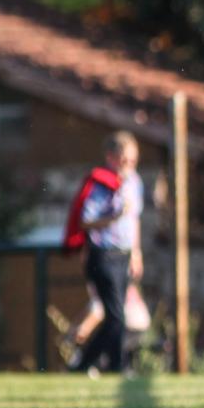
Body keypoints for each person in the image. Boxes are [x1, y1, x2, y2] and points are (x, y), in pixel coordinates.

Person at [71, 131, 142, 373]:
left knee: (118, 315)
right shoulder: (101, 184)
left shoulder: (134, 183)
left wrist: (136, 251)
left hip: (123, 254)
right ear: (111, 157)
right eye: (124, 160)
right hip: (103, 255)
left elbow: (134, 220)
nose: (129, 165)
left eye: (133, 161)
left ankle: (114, 366)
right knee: (115, 316)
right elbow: (85, 221)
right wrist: (114, 216)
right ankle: (85, 365)